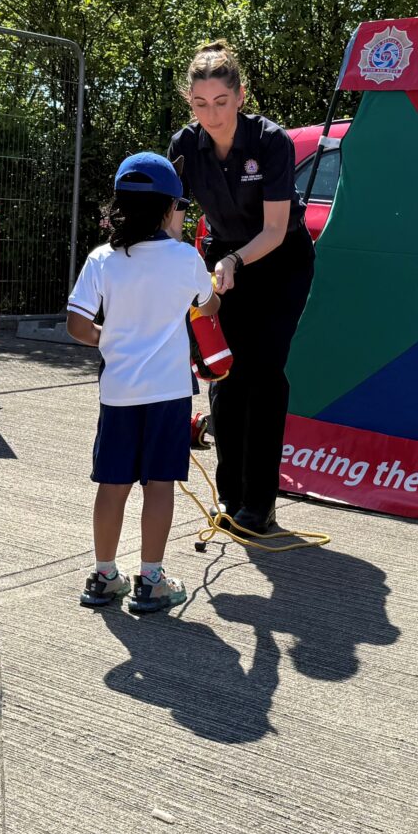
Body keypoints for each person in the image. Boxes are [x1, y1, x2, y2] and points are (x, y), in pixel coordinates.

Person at [167, 41, 314, 535]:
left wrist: (232, 259)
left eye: (222, 102)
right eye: (200, 103)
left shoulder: (271, 141)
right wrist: (175, 267)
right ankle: (229, 496)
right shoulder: (183, 146)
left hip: (280, 260)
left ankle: (261, 502)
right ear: (190, 101)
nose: (212, 114)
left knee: (264, 372)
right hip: (221, 259)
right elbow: (174, 223)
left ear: (241, 96)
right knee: (225, 373)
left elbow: (274, 231)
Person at [67, 152, 220, 613]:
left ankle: (104, 574)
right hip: (169, 393)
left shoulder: (101, 259)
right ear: (169, 207)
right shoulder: (184, 257)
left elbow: (76, 325)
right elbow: (209, 307)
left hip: (118, 393)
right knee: (160, 485)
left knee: (112, 484)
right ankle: (151, 579)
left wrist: (109, 341)